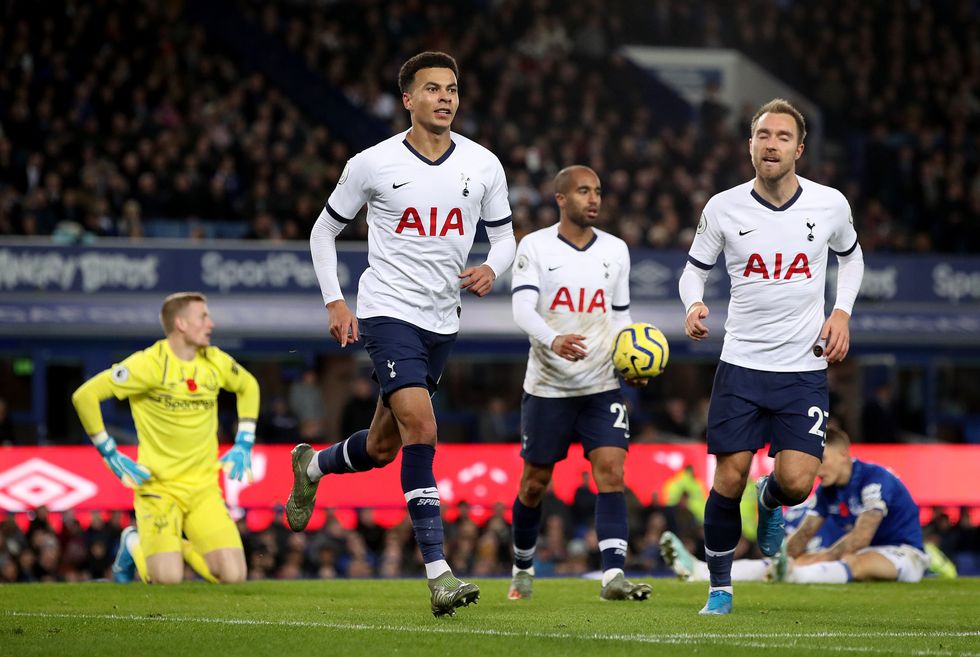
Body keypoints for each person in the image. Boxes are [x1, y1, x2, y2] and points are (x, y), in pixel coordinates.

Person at [286, 51, 515, 617]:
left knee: (386, 446)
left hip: (443, 319)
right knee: (422, 425)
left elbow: (507, 238)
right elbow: (322, 233)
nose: (445, 98)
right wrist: (336, 300)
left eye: (453, 89)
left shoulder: (484, 165)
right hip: (388, 311)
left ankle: (311, 467)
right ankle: (439, 573)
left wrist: (493, 267)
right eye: (432, 88)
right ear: (408, 100)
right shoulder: (371, 163)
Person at [678, 98, 865, 614]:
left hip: (803, 368)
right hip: (741, 364)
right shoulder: (723, 207)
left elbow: (852, 259)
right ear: (751, 145)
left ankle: (770, 500)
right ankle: (720, 587)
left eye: (783, 136)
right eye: (763, 134)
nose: (771, 143)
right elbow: (693, 269)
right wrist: (693, 302)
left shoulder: (829, 204)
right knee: (728, 475)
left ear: (799, 149)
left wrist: (842, 312)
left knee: (796, 482)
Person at [506, 165, 651, 602]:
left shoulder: (617, 250)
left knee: (611, 472)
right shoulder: (534, 246)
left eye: (598, 192)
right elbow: (522, 310)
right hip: (548, 388)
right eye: (584, 191)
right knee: (534, 483)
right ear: (561, 199)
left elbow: (620, 316)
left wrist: (630, 358)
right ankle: (523, 567)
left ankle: (613, 577)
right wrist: (554, 339)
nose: (594, 199)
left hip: (601, 385)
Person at [71, 291, 259, 584]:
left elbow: (248, 385)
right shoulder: (149, 364)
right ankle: (133, 542)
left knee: (233, 576)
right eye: (203, 317)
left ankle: (175, 548)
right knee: (167, 581)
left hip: (203, 488)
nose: (210, 324)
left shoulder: (214, 361)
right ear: (181, 324)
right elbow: (85, 396)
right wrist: (107, 450)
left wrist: (244, 439)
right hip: (158, 488)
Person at [772, 426, 930, 583]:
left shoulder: (874, 478)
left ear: (843, 453)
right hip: (864, 552)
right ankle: (781, 572)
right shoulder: (827, 490)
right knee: (831, 557)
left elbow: (861, 537)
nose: (816, 469)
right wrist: (781, 560)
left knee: (852, 562)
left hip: (903, 552)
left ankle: (797, 577)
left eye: (823, 459)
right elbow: (805, 533)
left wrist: (819, 559)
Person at [659, 495, 845, 582]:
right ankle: (699, 570)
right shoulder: (808, 506)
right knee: (770, 564)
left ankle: (790, 572)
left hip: (851, 558)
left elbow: (860, 539)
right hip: (813, 557)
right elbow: (789, 542)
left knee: (861, 560)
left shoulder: (865, 485)